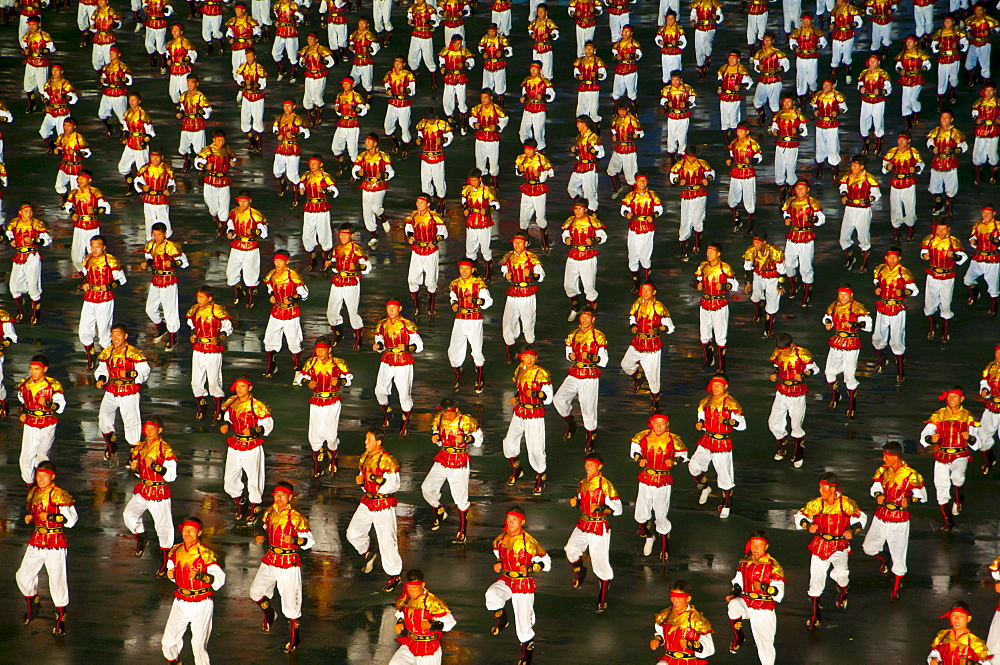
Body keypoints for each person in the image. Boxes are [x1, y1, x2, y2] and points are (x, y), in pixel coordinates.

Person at [796, 472, 867, 629]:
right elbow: (800, 516)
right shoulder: (816, 504)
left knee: (841, 574)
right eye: (820, 487)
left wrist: (853, 530)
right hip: (820, 546)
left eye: (823, 488)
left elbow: (861, 517)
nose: (820, 491)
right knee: (815, 581)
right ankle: (815, 615)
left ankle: (843, 591)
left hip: (839, 546)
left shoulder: (846, 504)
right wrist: (808, 525)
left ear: (833, 488)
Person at [250, 481, 314, 653]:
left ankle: (295, 638)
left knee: (291, 604)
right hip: (270, 559)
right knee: (255, 591)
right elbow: (261, 527)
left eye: (282, 495)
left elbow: (310, 542)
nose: (279, 498)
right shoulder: (269, 512)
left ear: (290, 497)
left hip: (288, 563)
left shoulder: (296, 517)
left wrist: (294, 540)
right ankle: (270, 613)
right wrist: (260, 536)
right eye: (276, 495)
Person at [16, 461, 77, 636]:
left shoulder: (59, 495)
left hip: (55, 541)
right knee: (23, 575)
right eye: (38, 476)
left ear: (52, 477)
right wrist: (31, 516)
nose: (40, 479)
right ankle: (33, 603)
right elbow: (35, 511)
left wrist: (51, 516)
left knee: (57, 580)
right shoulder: (34, 492)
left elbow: (72, 521)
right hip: (37, 539)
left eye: (44, 476)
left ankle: (60, 619)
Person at [862, 441, 926, 600]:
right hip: (881, 516)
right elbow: (875, 487)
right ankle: (884, 557)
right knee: (868, 548)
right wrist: (878, 495)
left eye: (886, 456)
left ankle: (895, 590)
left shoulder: (912, 475)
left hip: (899, 521)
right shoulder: (882, 471)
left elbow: (922, 496)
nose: (883, 459)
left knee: (899, 557)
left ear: (895, 457)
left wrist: (910, 501)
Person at [487, 509, 551, 665]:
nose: (510, 522)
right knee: (492, 594)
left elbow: (546, 563)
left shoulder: (528, 542)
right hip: (507, 580)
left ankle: (526, 657)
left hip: (523, 583)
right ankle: (503, 620)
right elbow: (498, 554)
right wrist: (498, 564)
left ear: (522, 522)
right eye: (508, 519)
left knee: (523, 623)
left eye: (514, 519)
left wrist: (530, 568)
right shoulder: (501, 538)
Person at [162, 517, 226, 665]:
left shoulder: (205, 554)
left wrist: (200, 576)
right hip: (181, 601)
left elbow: (219, 579)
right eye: (185, 530)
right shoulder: (176, 551)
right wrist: (170, 574)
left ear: (199, 533)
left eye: (191, 530)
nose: (188, 533)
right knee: (168, 641)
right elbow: (173, 571)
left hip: (201, 603)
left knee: (198, 645)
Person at [348, 427, 403, 592]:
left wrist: (375, 480)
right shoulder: (365, 457)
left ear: (378, 442)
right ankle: (367, 552)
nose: (365, 443)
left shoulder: (387, 460)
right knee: (353, 532)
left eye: (369, 440)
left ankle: (394, 575)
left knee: (387, 540)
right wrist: (362, 483)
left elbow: (394, 484)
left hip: (383, 505)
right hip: (367, 501)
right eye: (366, 439)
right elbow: (364, 477)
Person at [566, 452, 621, 611]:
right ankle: (580, 571)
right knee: (570, 550)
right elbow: (582, 503)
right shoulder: (582, 483)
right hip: (583, 523)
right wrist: (575, 503)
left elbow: (618, 510)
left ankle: (603, 597)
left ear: (600, 466)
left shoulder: (605, 484)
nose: (588, 466)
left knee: (600, 564)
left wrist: (602, 508)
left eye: (592, 464)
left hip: (599, 526)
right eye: (587, 463)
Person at [920, 386, 981, 531]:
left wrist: (970, 438)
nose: (951, 399)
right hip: (941, 455)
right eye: (949, 396)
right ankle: (949, 522)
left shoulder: (968, 417)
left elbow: (977, 442)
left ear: (962, 399)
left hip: (960, 455)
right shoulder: (938, 415)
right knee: (940, 488)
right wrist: (930, 438)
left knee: (958, 477)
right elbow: (924, 437)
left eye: (955, 396)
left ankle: (959, 499)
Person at [422, 398, 483, 543]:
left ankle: (463, 529)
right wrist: (435, 437)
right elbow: (436, 432)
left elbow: (479, 438)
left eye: (449, 414)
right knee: (427, 487)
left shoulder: (465, 420)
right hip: (443, 457)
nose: (447, 417)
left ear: (456, 410)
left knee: (460, 498)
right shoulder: (439, 418)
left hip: (459, 461)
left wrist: (467, 439)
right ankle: (438, 510)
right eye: (444, 414)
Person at [124, 417, 177, 577]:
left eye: (152, 429)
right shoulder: (141, 447)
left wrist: (155, 466)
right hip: (143, 488)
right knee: (129, 514)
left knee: (163, 527)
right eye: (146, 428)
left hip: (158, 491)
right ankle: (141, 536)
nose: (148, 432)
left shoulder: (165, 449)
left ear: (159, 430)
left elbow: (171, 476)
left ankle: (167, 563)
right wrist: (134, 467)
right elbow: (138, 469)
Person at [630, 414, 687, 560]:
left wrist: (673, 461)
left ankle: (664, 545)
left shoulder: (674, 440)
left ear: (667, 424)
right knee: (640, 514)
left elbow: (684, 456)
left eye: (662, 423)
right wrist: (639, 459)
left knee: (661, 514)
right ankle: (649, 536)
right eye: (656, 423)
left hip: (663, 482)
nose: (659, 426)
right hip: (645, 480)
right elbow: (634, 451)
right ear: (652, 423)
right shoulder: (642, 436)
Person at [293, 336, 352, 477]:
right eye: (318, 350)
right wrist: (308, 383)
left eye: (323, 350)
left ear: (329, 350)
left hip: (333, 401)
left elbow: (349, 380)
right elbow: (300, 377)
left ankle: (333, 459)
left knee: (331, 434)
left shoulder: (339, 363)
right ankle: (317, 465)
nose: (320, 352)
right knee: (315, 434)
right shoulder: (311, 363)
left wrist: (340, 381)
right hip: (316, 401)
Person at [219, 376, 274, 524]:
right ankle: (240, 502)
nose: (239, 389)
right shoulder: (231, 402)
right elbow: (228, 419)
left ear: (250, 388)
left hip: (252, 446)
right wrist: (227, 427)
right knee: (229, 480)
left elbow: (268, 425)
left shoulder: (257, 406)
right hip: (235, 444)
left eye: (243, 386)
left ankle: (255, 507)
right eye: (238, 386)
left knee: (254, 479)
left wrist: (254, 430)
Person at [690, 373, 745, 518]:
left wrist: (727, 421)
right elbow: (701, 418)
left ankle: (727, 503)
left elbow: (742, 425)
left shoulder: (731, 403)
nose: (716, 388)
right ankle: (705, 487)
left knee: (724, 475)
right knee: (694, 466)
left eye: (719, 385)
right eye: (714, 385)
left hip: (722, 443)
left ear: (725, 386)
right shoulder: (705, 401)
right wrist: (700, 424)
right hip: (706, 440)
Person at [725, 532, 784, 665]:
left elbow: (779, 592)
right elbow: (738, 582)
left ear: (766, 546)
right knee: (733, 605)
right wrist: (733, 594)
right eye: (753, 544)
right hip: (747, 602)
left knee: (764, 643)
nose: (755, 548)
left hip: (763, 607)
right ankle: (739, 636)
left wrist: (764, 586)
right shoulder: (745, 562)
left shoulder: (773, 566)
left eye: (759, 545)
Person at [555, 308, 607, 451]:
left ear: (593, 319)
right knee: (558, 399)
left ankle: (590, 437)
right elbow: (568, 351)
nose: (584, 320)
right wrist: (570, 355)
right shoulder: (574, 334)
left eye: (587, 318)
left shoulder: (599, 337)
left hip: (589, 376)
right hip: (575, 372)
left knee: (588, 409)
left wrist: (591, 357)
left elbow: (604, 361)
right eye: (582, 317)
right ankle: (571, 423)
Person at [95, 323, 151, 457]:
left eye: (118, 335)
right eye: (113, 335)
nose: (115, 338)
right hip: (112, 390)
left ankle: (134, 454)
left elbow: (144, 369)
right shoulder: (107, 352)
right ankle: (110, 444)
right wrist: (101, 379)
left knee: (131, 422)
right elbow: (103, 369)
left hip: (128, 391)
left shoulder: (133, 352)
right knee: (103, 416)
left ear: (125, 336)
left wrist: (131, 374)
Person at [503, 348, 552, 494]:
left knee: (536, 449)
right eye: (526, 357)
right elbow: (521, 389)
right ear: (522, 357)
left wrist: (536, 393)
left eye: (532, 357)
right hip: (520, 412)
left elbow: (548, 398)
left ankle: (540, 477)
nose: (529, 360)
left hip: (535, 415)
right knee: (509, 441)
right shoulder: (520, 369)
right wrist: (516, 398)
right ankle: (517, 469)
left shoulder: (541, 373)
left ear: (536, 357)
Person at [621, 282, 674, 412]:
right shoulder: (637, 304)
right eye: (643, 290)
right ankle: (638, 378)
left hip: (652, 346)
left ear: (653, 292)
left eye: (648, 290)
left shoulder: (659, 307)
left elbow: (670, 327)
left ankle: (655, 400)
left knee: (653, 376)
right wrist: (632, 326)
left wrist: (657, 330)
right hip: (638, 342)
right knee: (626, 364)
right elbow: (632, 317)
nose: (645, 293)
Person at [374, 299, 423, 436]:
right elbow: (380, 340)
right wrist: (378, 346)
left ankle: (405, 421)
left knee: (404, 394)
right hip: (387, 360)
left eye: (393, 308)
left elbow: (419, 345)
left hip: (403, 362)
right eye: (388, 308)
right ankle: (386, 412)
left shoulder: (408, 325)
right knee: (379, 390)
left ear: (399, 308)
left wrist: (407, 347)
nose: (391, 311)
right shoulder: (382, 324)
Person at [768, 333, 819, 466]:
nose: (782, 353)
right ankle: (782, 444)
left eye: (784, 350)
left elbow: (815, 369)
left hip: (797, 394)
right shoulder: (778, 353)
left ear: (791, 346)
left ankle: (798, 452)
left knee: (796, 425)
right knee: (773, 422)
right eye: (780, 351)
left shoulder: (802, 354)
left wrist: (803, 375)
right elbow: (777, 366)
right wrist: (774, 374)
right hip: (782, 391)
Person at [823, 285, 872, 417]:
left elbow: (867, 323)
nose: (842, 297)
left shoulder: (857, 307)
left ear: (851, 295)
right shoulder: (834, 305)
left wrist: (853, 324)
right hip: (837, 341)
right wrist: (828, 323)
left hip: (851, 343)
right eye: (840, 294)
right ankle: (836, 395)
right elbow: (827, 316)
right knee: (829, 372)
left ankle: (852, 404)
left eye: (845, 294)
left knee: (849, 375)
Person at [79, 236, 127, 369]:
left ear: (104, 247)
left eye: (97, 246)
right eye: (92, 246)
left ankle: (106, 363)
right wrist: (85, 284)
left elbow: (121, 280)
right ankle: (91, 356)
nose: (94, 249)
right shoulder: (88, 259)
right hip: (89, 298)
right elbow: (85, 276)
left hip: (105, 299)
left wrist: (109, 286)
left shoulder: (110, 260)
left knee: (104, 331)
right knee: (84, 329)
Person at [871, 247, 918, 382]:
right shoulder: (880, 269)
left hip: (897, 309)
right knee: (878, 337)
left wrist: (903, 293)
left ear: (899, 259)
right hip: (883, 307)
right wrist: (877, 289)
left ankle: (900, 369)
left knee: (897, 339)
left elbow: (914, 291)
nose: (891, 260)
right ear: (885, 258)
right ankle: (882, 359)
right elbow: (876, 282)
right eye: (889, 257)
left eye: (894, 258)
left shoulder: (904, 273)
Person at [391, 569, 457, 665]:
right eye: (409, 588)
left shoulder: (432, 602)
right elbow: (401, 614)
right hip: (410, 644)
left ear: (422, 585)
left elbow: (450, 623)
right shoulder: (407, 599)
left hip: (428, 649)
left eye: (414, 588)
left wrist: (432, 625)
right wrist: (400, 623)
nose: (411, 591)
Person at [17, 356, 65, 486]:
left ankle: (43, 484)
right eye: (32, 369)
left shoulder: (52, 385)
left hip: (47, 424)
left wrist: (48, 403)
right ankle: (30, 487)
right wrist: (24, 413)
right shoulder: (25, 384)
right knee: (26, 457)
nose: (34, 372)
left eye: (37, 369)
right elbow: (24, 403)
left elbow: (60, 406)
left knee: (42, 455)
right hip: (30, 424)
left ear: (45, 369)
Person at [187, 287, 233, 423]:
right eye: (198, 297)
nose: (199, 300)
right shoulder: (194, 309)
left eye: (202, 297)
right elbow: (192, 326)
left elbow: (228, 328)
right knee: (196, 380)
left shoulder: (218, 310)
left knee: (213, 380)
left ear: (210, 298)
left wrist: (219, 337)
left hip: (213, 350)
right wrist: (193, 335)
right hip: (198, 349)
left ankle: (219, 409)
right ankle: (201, 406)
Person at [142, 222, 188, 350]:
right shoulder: (151, 244)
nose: (156, 237)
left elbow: (184, 263)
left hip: (169, 280)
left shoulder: (171, 246)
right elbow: (150, 258)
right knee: (150, 308)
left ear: (165, 234)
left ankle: (173, 336)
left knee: (170, 310)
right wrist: (147, 264)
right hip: (156, 279)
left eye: (159, 234)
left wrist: (173, 262)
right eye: (154, 234)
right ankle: (161, 327)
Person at [262, 249, 309, 376]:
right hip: (277, 311)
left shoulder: (293, 275)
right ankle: (272, 366)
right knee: (270, 339)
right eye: (276, 261)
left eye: (281, 261)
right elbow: (270, 288)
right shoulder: (271, 274)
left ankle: (297, 369)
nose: (278, 264)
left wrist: (293, 298)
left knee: (294, 340)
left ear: (287, 262)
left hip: (291, 313)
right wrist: (272, 296)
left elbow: (304, 295)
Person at [448, 259, 492, 393]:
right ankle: (457, 375)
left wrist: (476, 301)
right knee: (453, 349)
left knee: (476, 349)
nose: (463, 271)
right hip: (460, 319)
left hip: (474, 319)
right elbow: (453, 296)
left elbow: (488, 301)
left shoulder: (479, 284)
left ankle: (479, 377)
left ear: (472, 270)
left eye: (466, 269)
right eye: (461, 268)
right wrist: (454, 304)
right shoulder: (455, 283)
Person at [325, 223, 370, 349]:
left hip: (351, 282)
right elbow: (335, 265)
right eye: (341, 234)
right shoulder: (337, 249)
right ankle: (338, 333)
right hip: (338, 280)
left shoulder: (357, 249)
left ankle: (359, 337)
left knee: (352, 311)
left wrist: (355, 266)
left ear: (352, 235)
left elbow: (367, 267)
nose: (343, 237)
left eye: (346, 234)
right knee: (331, 310)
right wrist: (330, 265)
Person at [695, 243, 739, 372]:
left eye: (712, 252)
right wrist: (698, 284)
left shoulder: (725, 268)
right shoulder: (703, 266)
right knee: (704, 334)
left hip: (720, 304)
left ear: (718, 254)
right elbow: (698, 280)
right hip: (705, 303)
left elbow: (734, 285)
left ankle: (721, 365)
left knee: (720, 336)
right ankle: (708, 359)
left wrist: (724, 287)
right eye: (708, 252)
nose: (709, 254)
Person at [922, 220, 968, 342]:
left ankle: (945, 329)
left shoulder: (953, 242)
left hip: (947, 277)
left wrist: (953, 256)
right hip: (932, 276)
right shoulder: (929, 240)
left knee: (946, 301)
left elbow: (963, 258)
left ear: (948, 229)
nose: (941, 232)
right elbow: (923, 251)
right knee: (930, 301)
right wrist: (924, 256)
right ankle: (931, 327)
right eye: (939, 229)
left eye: (943, 229)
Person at [501, 234, 544, 360]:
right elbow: (504, 270)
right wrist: (506, 276)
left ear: (526, 244)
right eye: (515, 242)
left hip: (527, 293)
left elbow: (541, 276)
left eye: (520, 242)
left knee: (528, 321)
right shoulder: (508, 257)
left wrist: (531, 274)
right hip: (513, 292)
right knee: (508, 321)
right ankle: (510, 349)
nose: (517, 245)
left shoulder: (532, 257)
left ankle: (530, 350)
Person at [6, 202, 50, 326]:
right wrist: (11, 241)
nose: (29, 214)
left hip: (32, 257)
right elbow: (9, 233)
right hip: (19, 256)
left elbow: (47, 240)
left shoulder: (36, 224)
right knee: (14, 286)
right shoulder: (14, 223)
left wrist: (34, 240)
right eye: (26, 211)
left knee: (33, 286)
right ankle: (21, 310)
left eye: (30, 211)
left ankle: (36, 314)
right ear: (20, 212)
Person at [781, 179, 824, 305]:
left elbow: (821, 219)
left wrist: (811, 218)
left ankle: (807, 292)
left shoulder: (812, 203)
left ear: (808, 190)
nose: (800, 191)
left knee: (805, 268)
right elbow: (785, 212)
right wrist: (787, 218)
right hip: (792, 237)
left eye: (802, 188)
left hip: (806, 238)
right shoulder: (790, 201)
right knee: (788, 264)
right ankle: (794, 284)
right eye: (797, 188)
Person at [649, 580, 715, 662]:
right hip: (668, 660)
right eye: (672, 596)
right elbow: (661, 633)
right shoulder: (666, 615)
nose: (674, 601)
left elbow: (709, 648)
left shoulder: (697, 620)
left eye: (679, 597)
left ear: (688, 598)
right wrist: (657, 640)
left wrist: (690, 645)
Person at [561, 200, 607, 319]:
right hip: (573, 256)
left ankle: (591, 313)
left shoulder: (592, 222)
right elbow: (565, 233)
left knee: (589, 286)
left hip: (588, 257)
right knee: (568, 284)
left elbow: (603, 236)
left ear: (585, 209)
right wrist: (566, 239)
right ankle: (575, 308)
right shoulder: (571, 221)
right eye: (576, 209)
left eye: (580, 209)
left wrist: (594, 240)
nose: (577, 211)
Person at [404, 194, 448, 315]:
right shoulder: (413, 216)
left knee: (431, 279)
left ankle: (431, 307)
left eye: (421, 203)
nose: (418, 205)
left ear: (428, 204)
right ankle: (416, 307)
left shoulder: (434, 217)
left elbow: (443, 233)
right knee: (412, 278)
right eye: (417, 202)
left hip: (430, 253)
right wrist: (410, 237)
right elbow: (408, 229)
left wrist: (434, 241)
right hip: (416, 251)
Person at [669, 147, 714, 261]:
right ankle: (684, 248)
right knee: (685, 220)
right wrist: (678, 181)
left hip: (700, 194)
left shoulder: (702, 163)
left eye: (693, 156)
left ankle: (698, 242)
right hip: (687, 195)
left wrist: (707, 179)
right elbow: (672, 176)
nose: (691, 158)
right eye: (689, 156)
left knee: (698, 218)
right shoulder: (680, 165)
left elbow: (711, 172)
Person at [226, 191, 268, 308]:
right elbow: (231, 225)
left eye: (245, 201)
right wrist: (231, 232)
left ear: (250, 201)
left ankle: (251, 297)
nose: (242, 203)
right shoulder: (234, 212)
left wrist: (254, 231)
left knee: (250, 273)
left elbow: (264, 233)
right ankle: (239, 292)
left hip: (251, 247)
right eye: (240, 201)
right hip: (237, 246)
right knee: (231, 272)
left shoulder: (255, 214)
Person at [838, 155, 880, 270]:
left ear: (862, 166)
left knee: (863, 236)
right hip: (849, 210)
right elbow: (843, 188)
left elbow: (876, 194)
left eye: (855, 165)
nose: (852, 167)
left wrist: (867, 200)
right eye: (852, 165)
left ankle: (864, 262)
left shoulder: (869, 178)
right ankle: (850, 256)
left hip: (863, 211)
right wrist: (844, 195)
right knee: (843, 237)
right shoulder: (847, 177)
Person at [881, 131, 924, 242]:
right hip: (895, 184)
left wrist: (916, 169)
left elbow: (921, 164)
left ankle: (910, 228)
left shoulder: (913, 152)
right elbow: (884, 166)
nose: (901, 142)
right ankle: (896, 229)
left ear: (908, 140)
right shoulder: (892, 152)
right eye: (899, 139)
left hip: (908, 183)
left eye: (903, 139)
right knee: (895, 207)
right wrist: (887, 167)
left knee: (910, 206)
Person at [742, 232, 785, 337]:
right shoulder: (751, 250)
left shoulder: (775, 251)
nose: (755, 245)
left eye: (758, 243)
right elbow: (747, 267)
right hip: (759, 276)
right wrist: (747, 282)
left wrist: (780, 284)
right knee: (755, 297)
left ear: (764, 242)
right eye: (754, 242)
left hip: (773, 278)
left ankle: (768, 327)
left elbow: (782, 270)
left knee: (772, 304)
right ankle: (758, 312)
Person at [515, 139, 555, 249]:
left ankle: (545, 243)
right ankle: (525, 242)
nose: (527, 151)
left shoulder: (541, 159)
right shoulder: (522, 158)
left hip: (539, 190)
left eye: (530, 149)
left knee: (540, 218)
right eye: (526, 149)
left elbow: (551, 173)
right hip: (527, 189)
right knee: (523, 217)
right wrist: (520, 170)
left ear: (535, 149)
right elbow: (517, 173)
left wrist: (541, 173)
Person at [926, 110, 967, 216]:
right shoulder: (935, 131)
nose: (944, 120)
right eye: (942, 117)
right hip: (937, 162)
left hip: (950, 163)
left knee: (951, 187)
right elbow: (929, 142)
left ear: (951, 119)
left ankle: (949, 207)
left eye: (946, 117)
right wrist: (932, 148)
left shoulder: (955, 133)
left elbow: (964, 146)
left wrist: (953, 150)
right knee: (935, 186)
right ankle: (938, 205)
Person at [195, 130, 237, 233]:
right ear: (214, 140)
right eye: (219, 140)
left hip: (224, 181)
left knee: (224, 205)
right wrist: (204, 166)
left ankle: (222, 228)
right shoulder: (207, 150)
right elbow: (197, 162)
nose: (221, 143)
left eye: (223, 140)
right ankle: (216, 220)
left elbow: (234, 157)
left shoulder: (227, 149)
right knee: (212, 205)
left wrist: (233, 162)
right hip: (210, 181)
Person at [461, 169, 500, 275]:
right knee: (470, 248)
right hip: (471, 222)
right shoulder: (467, 189)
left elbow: (496, 205)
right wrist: (465, 209)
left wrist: (487, 210)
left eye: (475, 180)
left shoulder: (487, 190)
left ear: (480, 179)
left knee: (485, 248)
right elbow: (464, 202)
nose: (473, 183)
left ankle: (488, 272)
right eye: (471, 180)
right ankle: (473, 271)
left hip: (484, 223)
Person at [769, 97, 808, 202]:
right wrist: (774, 131)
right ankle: (782, 193)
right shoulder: (779, 114)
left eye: (789, 101)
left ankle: (792, 192)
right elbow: (773, 126)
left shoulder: (798, 115)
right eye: (785, 101)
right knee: (779, 168)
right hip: (780, 145)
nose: (786, 104)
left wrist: (798, 130)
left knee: (790, 168)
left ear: (793, 102)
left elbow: (804, 131)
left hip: (792, 145)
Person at [271, 99, 310, 202]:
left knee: (292, 175)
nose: (286, 108)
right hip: (281, 148)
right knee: (277, 171)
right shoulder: (279, 118)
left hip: (292, 149)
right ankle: (282, 184)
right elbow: (275, 129)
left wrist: (295, 135)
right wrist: (277, 135)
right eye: (285, 106)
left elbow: (306, 134)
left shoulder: (297, 119)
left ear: (294, 107)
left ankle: (296, 197)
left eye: (289, 106)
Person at [414, 108, 453, 211]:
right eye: (428, 119)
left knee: (439, 181)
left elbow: (449, 136)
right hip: (425, 157)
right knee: (425, 182)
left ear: (436, 117)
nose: (430, 121)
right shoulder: (423, 124)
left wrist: (443, 141)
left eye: (431, 119)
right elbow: (420, 134)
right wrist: (419, 140)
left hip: (438, 157)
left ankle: (441, 204)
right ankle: (430, 205)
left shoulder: (442, 124)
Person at [726, 124, 762, 233]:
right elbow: (732, 155)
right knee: (732, 198)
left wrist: (751, 161)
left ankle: (751, 224)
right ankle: (737, 219)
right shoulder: (734, 143)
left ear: (747, 132)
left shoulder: (752, 144)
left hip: (748, 173)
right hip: (736, 172)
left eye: (741, 131)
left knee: (749, 199)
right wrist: (730, 161)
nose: (739, 133)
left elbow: (759, 158)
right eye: (738, 131)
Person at [134, 150, 177, 239]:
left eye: (157, 157)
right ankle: (151, 240)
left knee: (164, 219)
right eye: (153, 157)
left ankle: (166, 238)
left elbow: (172, 184)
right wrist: (142, 187)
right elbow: (137, 182)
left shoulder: (167, 170)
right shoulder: (144, 169)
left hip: (162, 200)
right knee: (150, 220)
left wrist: (169, 190)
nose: (155, 159)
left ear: (162, 157)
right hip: (149, 200)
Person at [176, 75, 213, 173]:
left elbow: (208, 110)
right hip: (186, 124)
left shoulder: (200, 96)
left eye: (192, 82)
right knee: (183, 147)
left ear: (197, 84)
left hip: (197, 126)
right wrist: (180, 113)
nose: (190, 85)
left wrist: (199, 111)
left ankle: (201, 167)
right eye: (188, 82)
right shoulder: (184, 95)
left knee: (199, 149)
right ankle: (187, 161)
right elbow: (182, 108)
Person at [751, 34, 789, 127]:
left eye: (769, 40)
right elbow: (755, 66)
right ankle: (763, 116)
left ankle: (774, 123)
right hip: (763, 79)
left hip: (774, 81)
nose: (766, 42)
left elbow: (786, 66)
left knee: (774, 103)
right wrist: (758, 67)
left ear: (772, 41)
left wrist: (776, 70)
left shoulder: (778, 53)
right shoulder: (759, 53)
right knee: (756, 101)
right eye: (765, 40)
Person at [567, 116, 603, 213]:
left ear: (584, 124)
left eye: (579, 123)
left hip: (590, 168)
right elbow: (579, 155)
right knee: (571, 188)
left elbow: (601, 154)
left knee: (590, 193)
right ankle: (582, 203)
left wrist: (591, 150)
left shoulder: (593, 137)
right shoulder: (579, 137)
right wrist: (575, 151)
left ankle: (593, 213)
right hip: (580, 166)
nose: (577, 125)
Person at [331, 77, 368, 169]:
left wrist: (354, 108)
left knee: (352, 149)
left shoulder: (356, 96)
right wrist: (338, 109)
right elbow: (338, 110)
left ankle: (355, 170)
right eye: (344, 84)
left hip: (352, 124)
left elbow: (364, 111)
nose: (345, 86)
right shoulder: (340, 95)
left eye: (347, 84)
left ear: (352, 85)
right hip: (342, 123)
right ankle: (342, 164)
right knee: (335, 146)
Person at [235, 48, 268, 153]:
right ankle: (251, 140)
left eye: (251, 56)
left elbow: (263, 84)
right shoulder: (243, 67)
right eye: (247, 56)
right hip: (246, 97)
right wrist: (244, 84)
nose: (249, 58)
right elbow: (239, 78)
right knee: (244, 120)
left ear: (255, 56)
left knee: (257, 120)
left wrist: (253, 85)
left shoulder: (259, 68)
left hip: (257, 98)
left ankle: (259, 144)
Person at [660, 71, 696, 162]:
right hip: (672, 116)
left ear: (681, 80)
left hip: (683, 116)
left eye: (677, 80)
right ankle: (672, 157)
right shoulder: (667, 89)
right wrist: (667, 104)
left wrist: (687, 104)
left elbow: (692, 100)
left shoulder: (687, 89)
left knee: (682, 136)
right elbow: (662, 100)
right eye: (673, 80)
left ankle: (681, 155)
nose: (675, 82)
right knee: (671, 136)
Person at [789, 15, 826, 105]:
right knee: (801, 78)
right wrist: (795, 48)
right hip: (801, 58)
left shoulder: (816, 32)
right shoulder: (797, 32)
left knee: (812, 79)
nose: (806, 23)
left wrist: (816, 48)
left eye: (808, 21)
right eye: (804, 21)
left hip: (812, 58)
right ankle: (802, 99)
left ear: (812, 21)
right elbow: (792, 41)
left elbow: (823, 42)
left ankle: (813, 92)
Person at [718, 52, 752, 144]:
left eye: (733, 58)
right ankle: (726, 141)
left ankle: (735, 140)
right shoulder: (723, 68)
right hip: (724, 97)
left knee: (734, 119)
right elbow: (720, 79)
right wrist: (720, 88)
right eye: (730, 58)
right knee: (724, 119)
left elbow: (749, 83)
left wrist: (740, 86)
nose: (731, 60)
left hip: (734, 98)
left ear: (738, 59)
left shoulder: (741, 69)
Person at [383, 57, 416, 154]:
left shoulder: (408, 75)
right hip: (393, 103)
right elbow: (387, 83)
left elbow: (412, 91)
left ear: (404, 64)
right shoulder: (389, 74)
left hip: (404, 104)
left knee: (404, 126)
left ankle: (405, 147)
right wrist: (388, 89)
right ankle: (395, 142)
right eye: (395, 63)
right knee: (388, 125)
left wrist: (405, 90)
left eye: (399, 63)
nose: (397, 65)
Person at [98, 47, 131, 135]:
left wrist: (120, 78)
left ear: (119, 54)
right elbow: (104, 78)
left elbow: (129, 80)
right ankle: (108, 128)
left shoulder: (123, 67)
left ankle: (125, 132)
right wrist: (103, 81)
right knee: (102, 113)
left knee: (122, 116)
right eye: (110, 53)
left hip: (119, 93)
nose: (111, 54)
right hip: (108, 92)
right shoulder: (107, 67)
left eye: (113, 53)